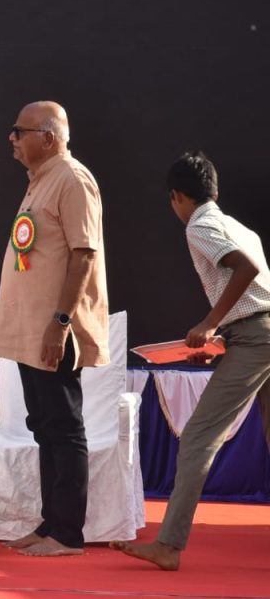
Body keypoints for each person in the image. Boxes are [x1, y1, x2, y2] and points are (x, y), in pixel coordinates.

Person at [112, 152, 270, 571]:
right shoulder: (239, 226)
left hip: (256, 338)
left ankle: (169, 545)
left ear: (176, 197)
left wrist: (210, 323)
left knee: (198, 437)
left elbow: (246, 270)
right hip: (258, 334)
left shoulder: (199, 225)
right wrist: (220, 336)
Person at [0, 101, 109, 557]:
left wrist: (61, 322)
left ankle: (68, 534)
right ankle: (50, 523)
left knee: (63, 426)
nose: (12, 138)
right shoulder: (40, 181)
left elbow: (84, 253)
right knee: (43, 426)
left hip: (55, 329)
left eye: (20, 131)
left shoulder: (72, 178)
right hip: (31, 329)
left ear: (49, 137)